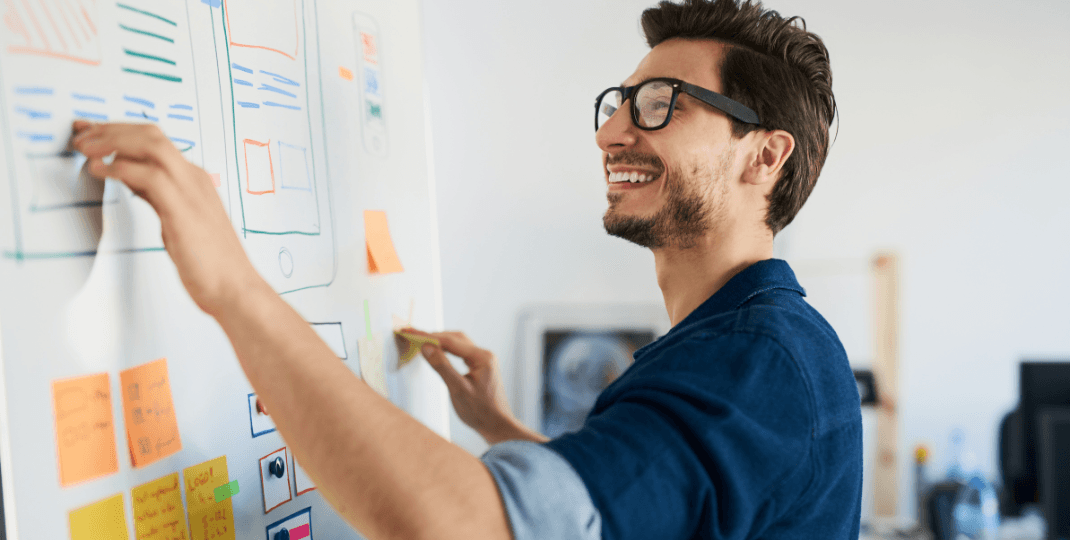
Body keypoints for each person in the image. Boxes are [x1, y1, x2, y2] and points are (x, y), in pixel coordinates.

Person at [71, 0, 861, 538]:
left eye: (661, 103)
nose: (612, 132)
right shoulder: (749, 342)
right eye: (616, 103)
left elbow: (465, 528)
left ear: (764, 153)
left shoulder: (757, 363)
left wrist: (232, 288)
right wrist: (503, 432)